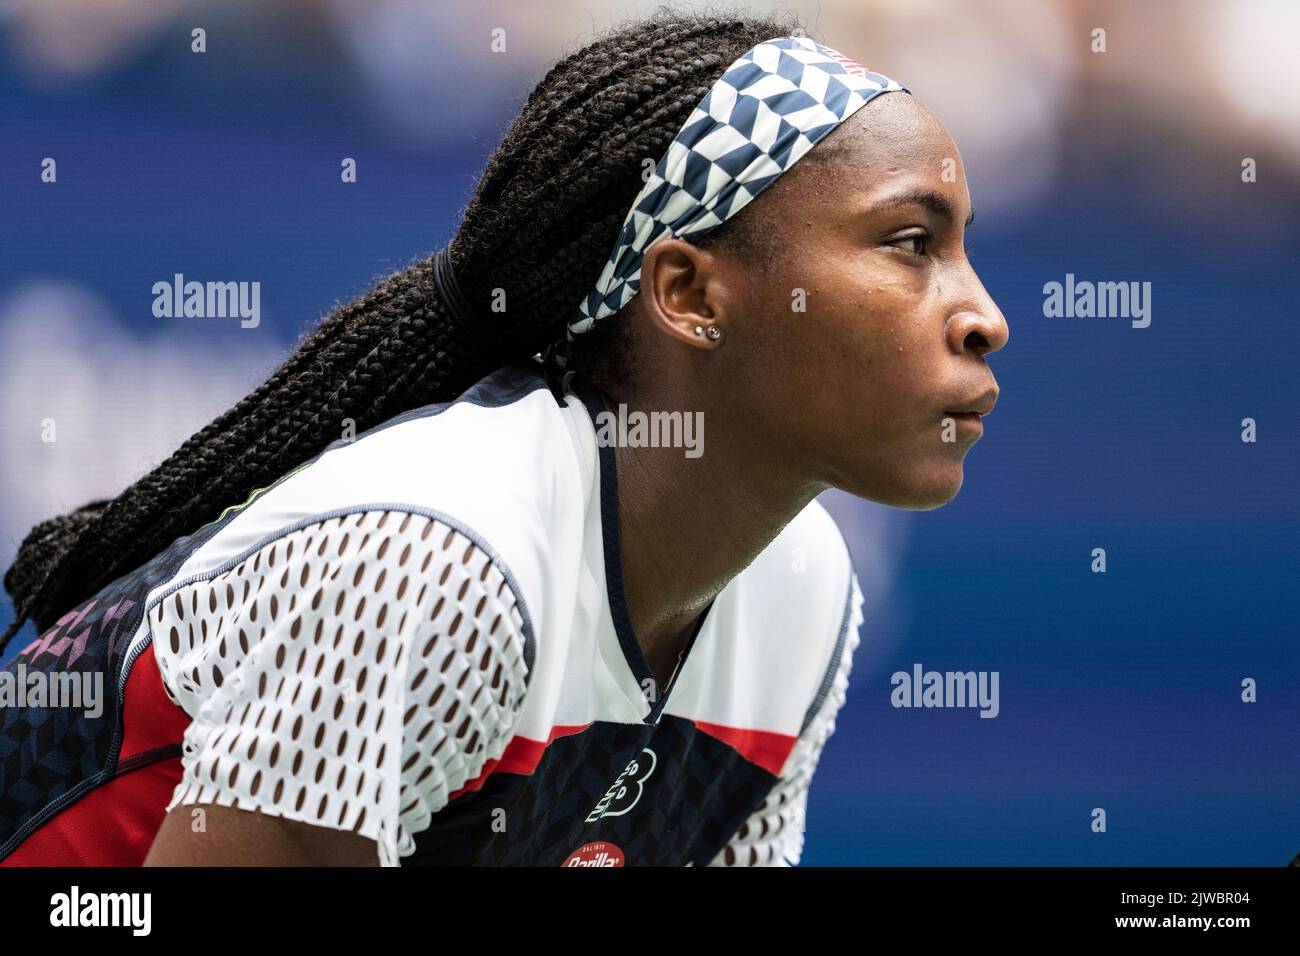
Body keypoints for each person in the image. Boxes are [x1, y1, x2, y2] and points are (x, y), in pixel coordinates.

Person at [0, 11, 1006, 867]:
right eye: (910, 244)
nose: (984, 316)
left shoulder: (802, 594)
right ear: (692, 293)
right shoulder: (436, 556)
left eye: (962, 248)